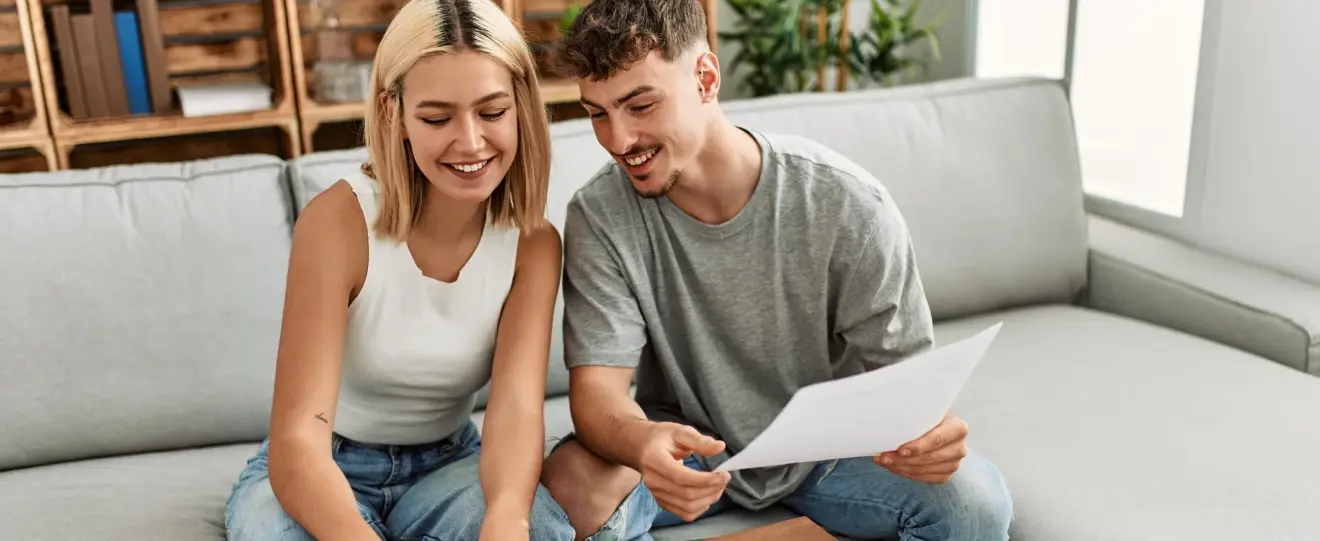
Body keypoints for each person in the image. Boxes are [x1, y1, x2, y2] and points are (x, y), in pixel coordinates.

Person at [538, 0, 1014, 540]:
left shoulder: (845, 203)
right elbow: (598, 395)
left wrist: (930, 437)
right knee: (568, 488)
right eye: (597, 113)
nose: (618, 141)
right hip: (687, 452)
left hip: (831, 452)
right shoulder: (600, 215)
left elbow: (907, 384)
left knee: (972, 503)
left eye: (641, 105)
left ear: (706, 78)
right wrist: (643, 443)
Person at [223, 0, 573, 540]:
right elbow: (298, 441)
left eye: (493, 112)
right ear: (394, 113)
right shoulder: (337, 223)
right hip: (324, 463)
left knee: (543, 528)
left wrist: (508, 516)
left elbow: (517, 412)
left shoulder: (534, 245)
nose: (471, 141)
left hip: (450, 464)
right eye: (437, 118)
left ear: (522, 106)